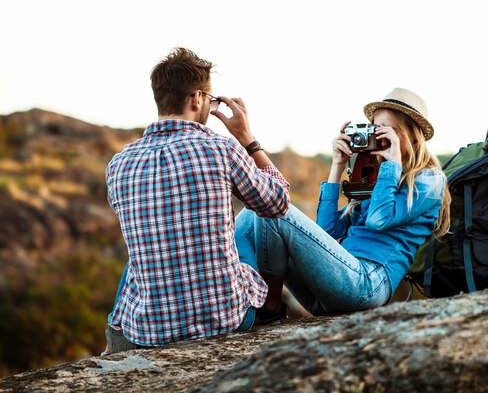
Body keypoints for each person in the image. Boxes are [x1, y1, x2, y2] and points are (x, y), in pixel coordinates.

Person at [104, 47, 290, 352]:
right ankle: (270, 308)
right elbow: (278, 202)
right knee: (245, 224)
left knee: (144, 249)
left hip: (150, 330)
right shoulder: (221, 148)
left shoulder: (118, 163)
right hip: (226, 318)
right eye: (212, 100)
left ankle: (116, 335)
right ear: (197, 99)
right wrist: (248, 139)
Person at [235, 87, 451, 318]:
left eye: (391, 131)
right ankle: (243, 302)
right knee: (252, 213)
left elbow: (380, 220)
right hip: (328, 290)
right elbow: (327, 232)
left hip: (367, 285)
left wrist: (392, 165)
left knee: (275, 212)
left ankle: (271, 307)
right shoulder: (375, 176)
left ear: (413, 138)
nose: (381, 139)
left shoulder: (429, 179)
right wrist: (338, 166)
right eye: (376, 131)